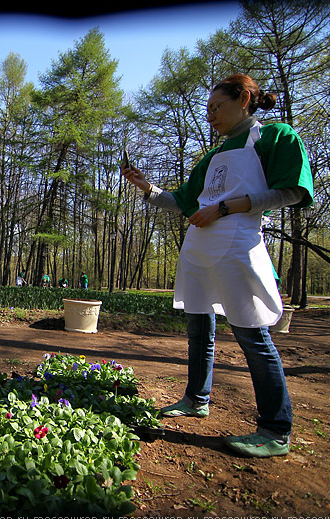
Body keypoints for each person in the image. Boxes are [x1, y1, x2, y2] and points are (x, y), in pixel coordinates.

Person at [121, 73, 314, 458]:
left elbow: (292, 191)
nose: (210, 116)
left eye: (216, 107)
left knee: (252, 335)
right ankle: (196, 398)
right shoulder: (211, 156)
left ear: (243, 99)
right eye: (207, 109)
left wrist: (226, 207)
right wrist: (146, 187)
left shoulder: (275, 137)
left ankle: (276, 429)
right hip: (199, 245)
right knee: (198, 326)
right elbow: (185, 201)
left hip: (236, 243)